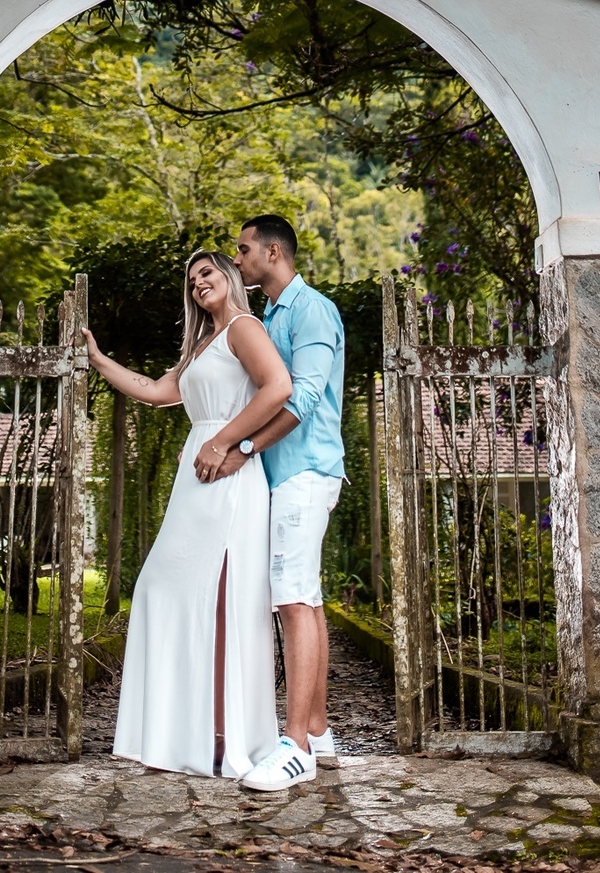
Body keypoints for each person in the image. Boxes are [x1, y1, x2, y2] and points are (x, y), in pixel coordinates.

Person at [84, 249, 293, 778]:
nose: (199, 282)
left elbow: (279, 388)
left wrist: (223, 443)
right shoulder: (201, 346)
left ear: (229, 276)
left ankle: (225, 741)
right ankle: (175, 735)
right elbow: (157, 392)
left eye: (208, 272)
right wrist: (99, 360)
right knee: (160, 590)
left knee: (223, 604)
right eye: (192, 278)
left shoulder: (244, 328)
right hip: (195, 481)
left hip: (229, 477)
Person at [209, 215, 345, 792]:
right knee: (304, 598)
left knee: (291, 599)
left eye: (243, 250)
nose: (237, 260)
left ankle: (293, 749)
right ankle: (317, 732)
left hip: (306, 472)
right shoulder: (268, 316)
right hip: (283, 477)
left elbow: (305, 396)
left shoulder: (311, 309)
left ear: (272, 251)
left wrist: (244, 447)